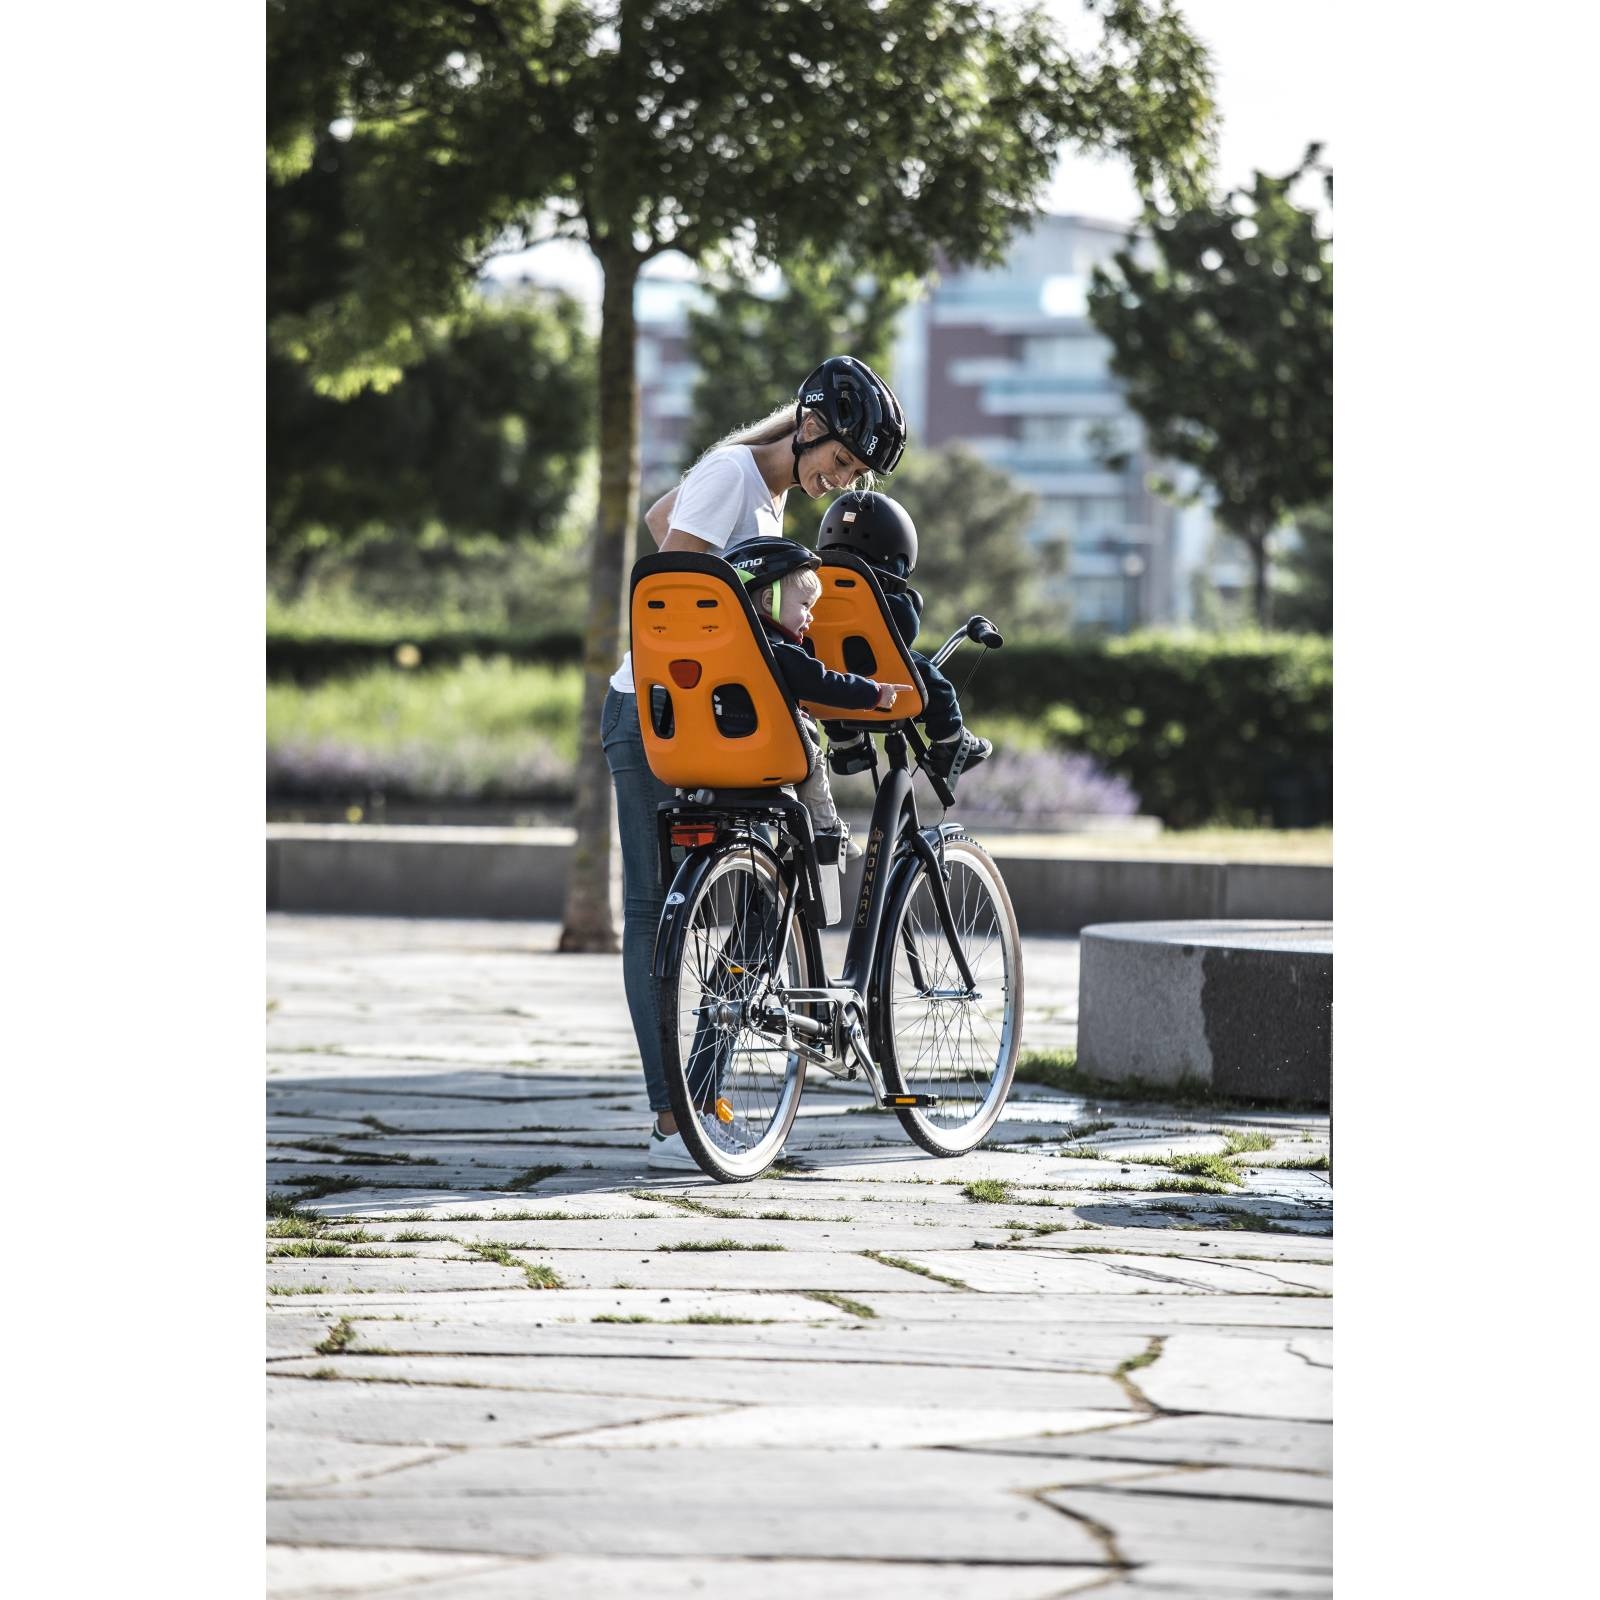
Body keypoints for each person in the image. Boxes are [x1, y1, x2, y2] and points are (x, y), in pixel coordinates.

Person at [601, 356, 907, 1168]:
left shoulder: (763, 495)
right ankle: (674, 1100)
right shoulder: (735, 475)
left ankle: (702, 1077)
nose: (841, 480)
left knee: (767, 874)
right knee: (649, 906)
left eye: (855, 472)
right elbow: (674, 595)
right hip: (652, 713)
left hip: (705, 715)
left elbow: (662, 517)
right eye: (840, 459)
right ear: (808, 426)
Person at [723, 536, 910, 844]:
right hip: (768, 750)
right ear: (769, 601)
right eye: (805, 605)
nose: (811, 616)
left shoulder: (726, 648)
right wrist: (875, 693)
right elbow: (824, 683)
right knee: (812, 755)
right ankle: (825, 830)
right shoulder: (779, 650)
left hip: (715, 752)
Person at [816, 490, 993, 786]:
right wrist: (907, 602)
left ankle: (846, 746)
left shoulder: (812, 587)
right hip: (884, 678)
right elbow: (905, 632)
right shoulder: (885, 596)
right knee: (932, 681)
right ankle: (951, 742)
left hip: (827, 682)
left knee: (830, 683)